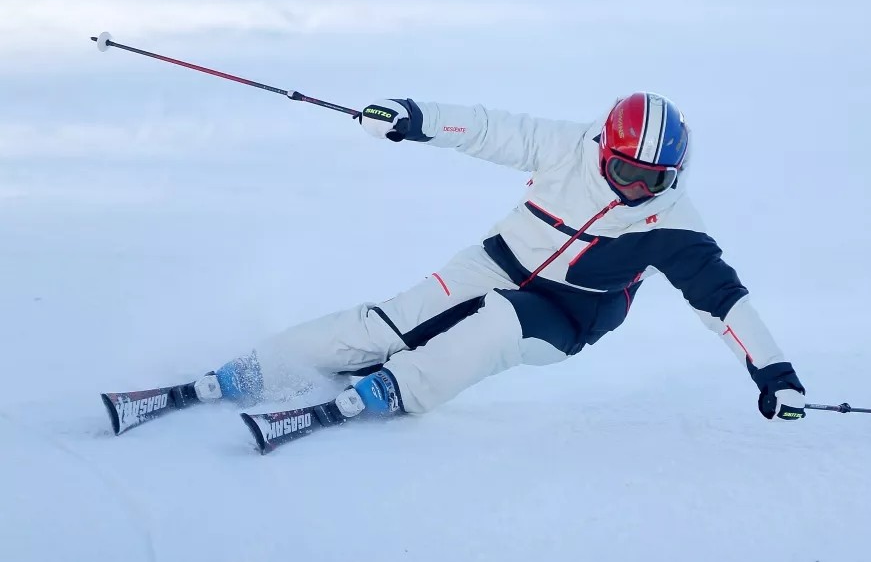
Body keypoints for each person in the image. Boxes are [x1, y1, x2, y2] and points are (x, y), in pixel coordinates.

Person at [191, 92, 806, 422]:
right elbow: (488, 129)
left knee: (494, 326)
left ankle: (396, 389)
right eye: (624, 171)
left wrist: (772, 372)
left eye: (655, 179)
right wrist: (414, 118)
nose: (636, 189)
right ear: (602, 152)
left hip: (567, 316)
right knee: (396, 318)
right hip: (500, 259)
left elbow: (723, 301)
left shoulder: (672, 223)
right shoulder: (568, 147)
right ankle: (265, 364)